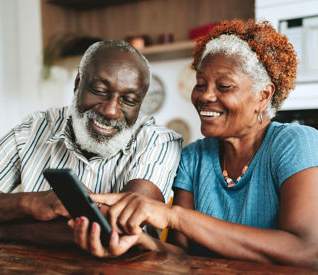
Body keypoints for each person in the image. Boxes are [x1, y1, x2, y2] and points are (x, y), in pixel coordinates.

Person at [70, 19, 318, 268]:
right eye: (200, 84)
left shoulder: (295, 143)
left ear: (263, 96)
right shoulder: (193, 157)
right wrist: (139, 241)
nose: (205, 96)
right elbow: (181, 254)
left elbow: (307, 250)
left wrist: (173, 216)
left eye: (224, 86)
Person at [0, 41, 183, 246]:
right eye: (100, 91)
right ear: (78, 84)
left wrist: (2, 230)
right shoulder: (34, 129)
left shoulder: (159, 142)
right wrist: (32, 203)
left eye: (129, 100)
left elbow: (118, 231)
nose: (111, 111)